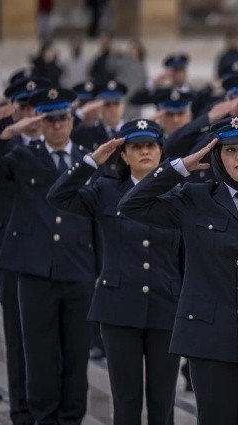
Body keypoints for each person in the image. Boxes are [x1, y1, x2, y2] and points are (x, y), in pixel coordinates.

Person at [118, 115, 238, 425]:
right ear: (217, 156)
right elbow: (131, 205)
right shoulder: (194, 199)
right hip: (211, 343)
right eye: (230, 150)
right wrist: (180, 167)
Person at [46, 119, 182, 425]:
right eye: (136, 147)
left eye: (151, 145)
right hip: (118, 310)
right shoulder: (106, 190)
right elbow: (58, 196)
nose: (145, 151)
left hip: (167, 308)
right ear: (123, 154)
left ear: (161, 151)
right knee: (126, 401)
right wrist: (92, 160)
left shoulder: (179, 193)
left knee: (163, 402)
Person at [0, 87, 96, 424]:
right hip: (35, 270)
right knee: (38, 354)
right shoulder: (22, 156)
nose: (57, 126)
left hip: (79, 268)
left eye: (63, 119)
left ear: (72, 120)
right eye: (50, 119)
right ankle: (43, 418)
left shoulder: (88, 158)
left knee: (76, 354)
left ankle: (71, 417)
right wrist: (4, 134)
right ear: (41, 121)